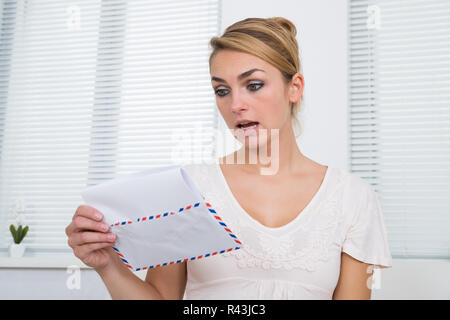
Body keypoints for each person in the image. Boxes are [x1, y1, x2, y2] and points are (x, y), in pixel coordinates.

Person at [65, 17, 392, 300]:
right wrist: (108, 265)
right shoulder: (187, 189)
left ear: (294, 88)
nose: (236, 104)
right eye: (222, 90)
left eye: (253, 85)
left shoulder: (353, 197)